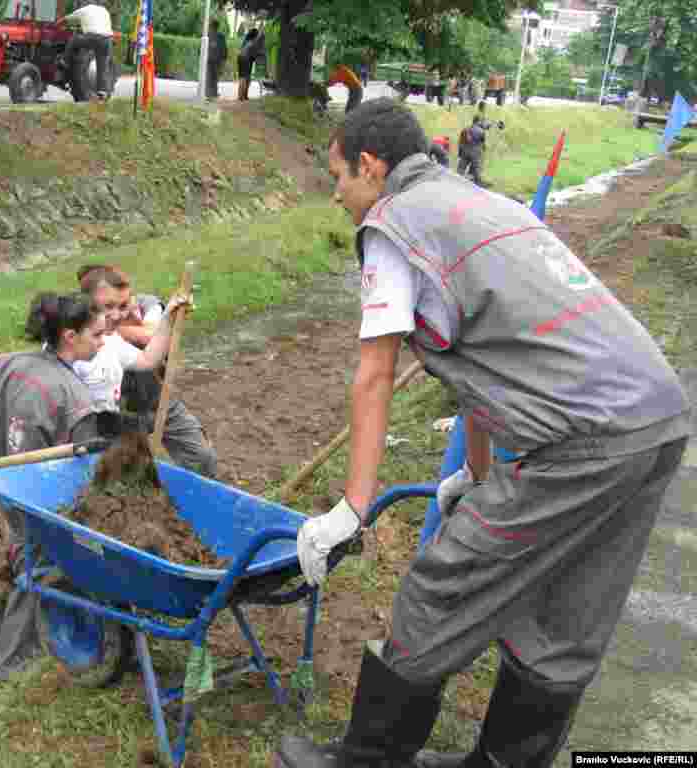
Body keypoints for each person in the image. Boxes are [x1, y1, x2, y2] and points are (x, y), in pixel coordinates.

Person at [274, 98, 691, 768]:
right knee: (571, 612)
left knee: (443, 584)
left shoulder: (394, 224)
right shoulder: (472, 200)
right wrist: (475, 472)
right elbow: (485, 363)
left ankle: (367, 759)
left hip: (580, 441)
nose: (336, 195)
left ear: (372, 167)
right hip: (658, 420)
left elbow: (374, 375)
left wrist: (352, 508)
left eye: (339, 177)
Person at [0, 293, 107, 680]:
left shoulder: (13, 363)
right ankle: (13, 665)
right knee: (42, 569)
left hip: (6, 485)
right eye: (96, 335)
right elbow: (81, 470)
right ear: (69, 336)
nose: (102, 342)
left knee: (26, 554)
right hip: (40, 499)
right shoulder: (73, 396)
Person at [76, 267, 217, 478]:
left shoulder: (144, 305)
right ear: (87, 304)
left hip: (154, 400)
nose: (116, 314)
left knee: (202, 458)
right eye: (108, 306)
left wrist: (168, 314)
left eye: (123, 305)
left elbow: (148, 355)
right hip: (111, 418)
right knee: (120, 476)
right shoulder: (76, 339)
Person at [57, 2, 114, 98]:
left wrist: (57, 23)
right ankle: (102, 91)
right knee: (102, 66)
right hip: (107, 39)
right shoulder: (104, 10)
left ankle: (64, 61)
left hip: (92, 37)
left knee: (74, 40)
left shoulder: (84, 10)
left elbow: (67, 19)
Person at [457, 114, 487, 186]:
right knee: (476, 169)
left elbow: (461, 142)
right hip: (475, 153)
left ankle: (456, 182)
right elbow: (482, 144)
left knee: (460, 169)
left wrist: (460, 153)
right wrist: (482, 151)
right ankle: (476, 185)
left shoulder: (465, 129)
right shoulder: (481, 131)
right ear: (478, 121)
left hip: (465, 151)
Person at [236, 26, 264, 102]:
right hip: (246, 59)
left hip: (241, 58)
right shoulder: (253, 42)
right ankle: (242, 96)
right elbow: (255, 54)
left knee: (244, 77)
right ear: (255, 35)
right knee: (245, 77)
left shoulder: (246, 41)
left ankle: (243, 96)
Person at [205, 19, 227, 101]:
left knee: (210, 76)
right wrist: (224, 59)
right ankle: (212, 94)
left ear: (211, 26)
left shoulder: (208, 35)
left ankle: (209, 94)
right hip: (217, 60)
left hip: (210, 59)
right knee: (214, 77)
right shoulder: (220, 36)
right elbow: (224, 49)